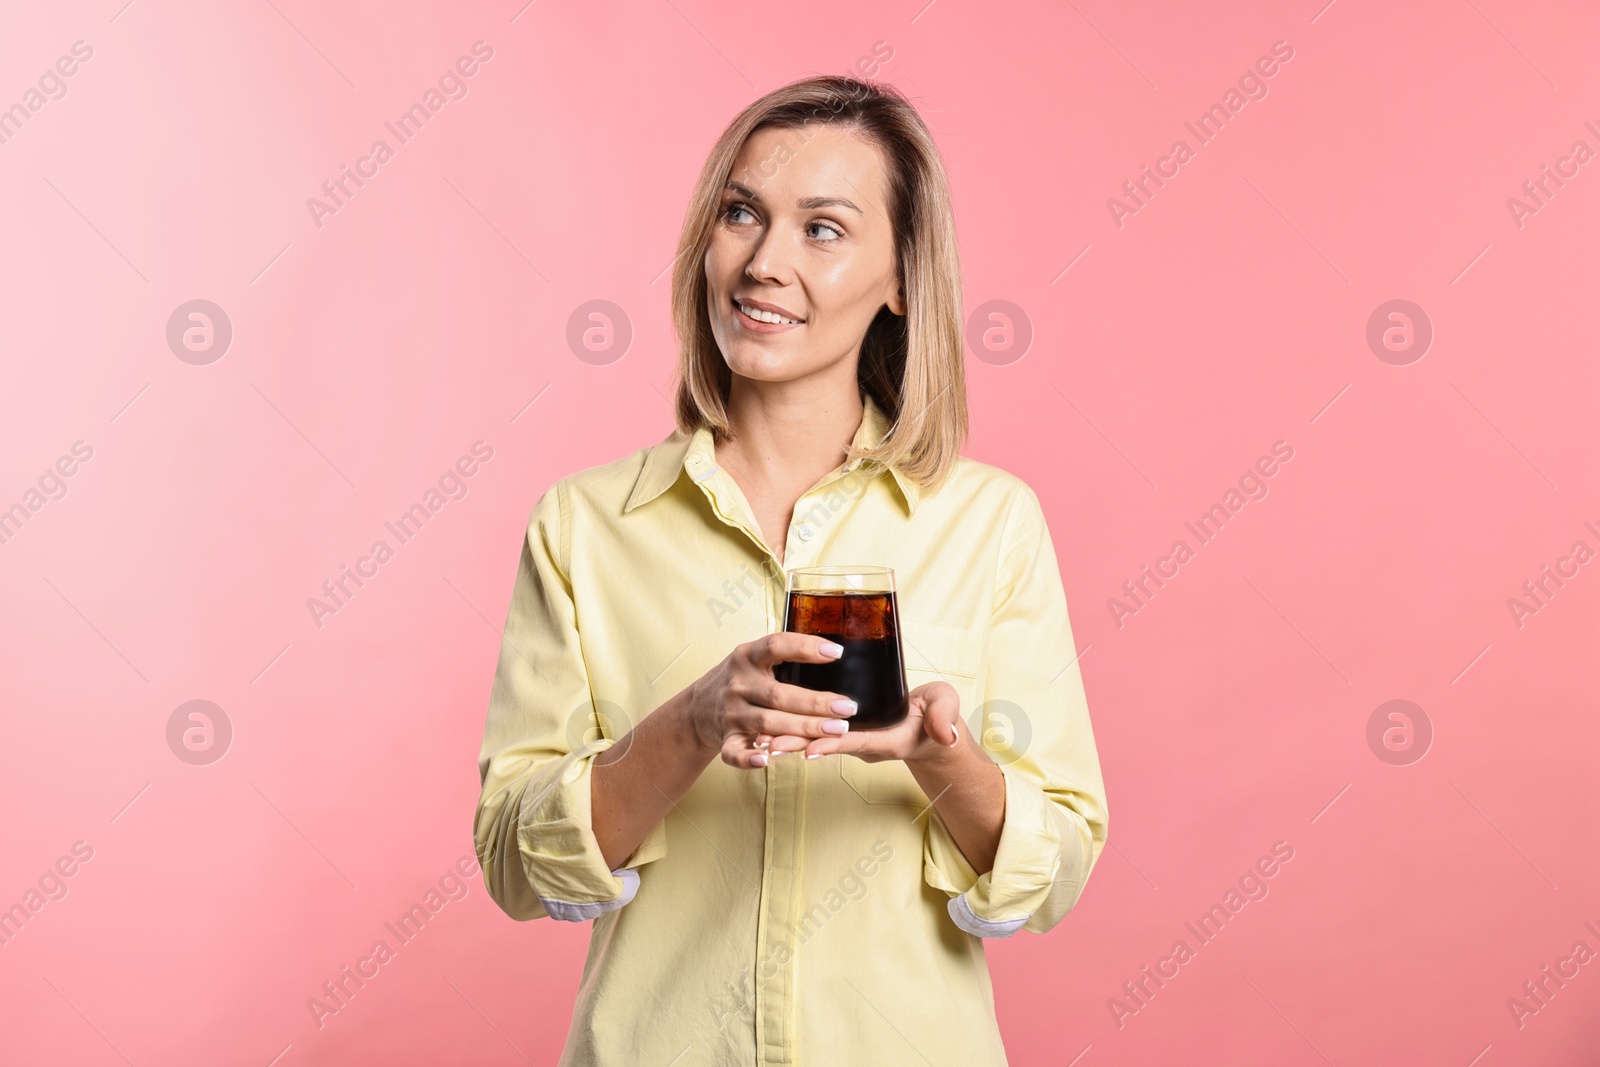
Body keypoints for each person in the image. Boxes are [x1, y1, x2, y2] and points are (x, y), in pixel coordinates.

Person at [473, 74, 1108, 1067]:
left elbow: (1055, 868)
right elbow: (515, 860)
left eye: (822, 228)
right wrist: (689, 722)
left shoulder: (988, 524)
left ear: (901, 276)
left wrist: (938, 754)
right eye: (741, 214)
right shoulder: (587, 524)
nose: (764, 263)